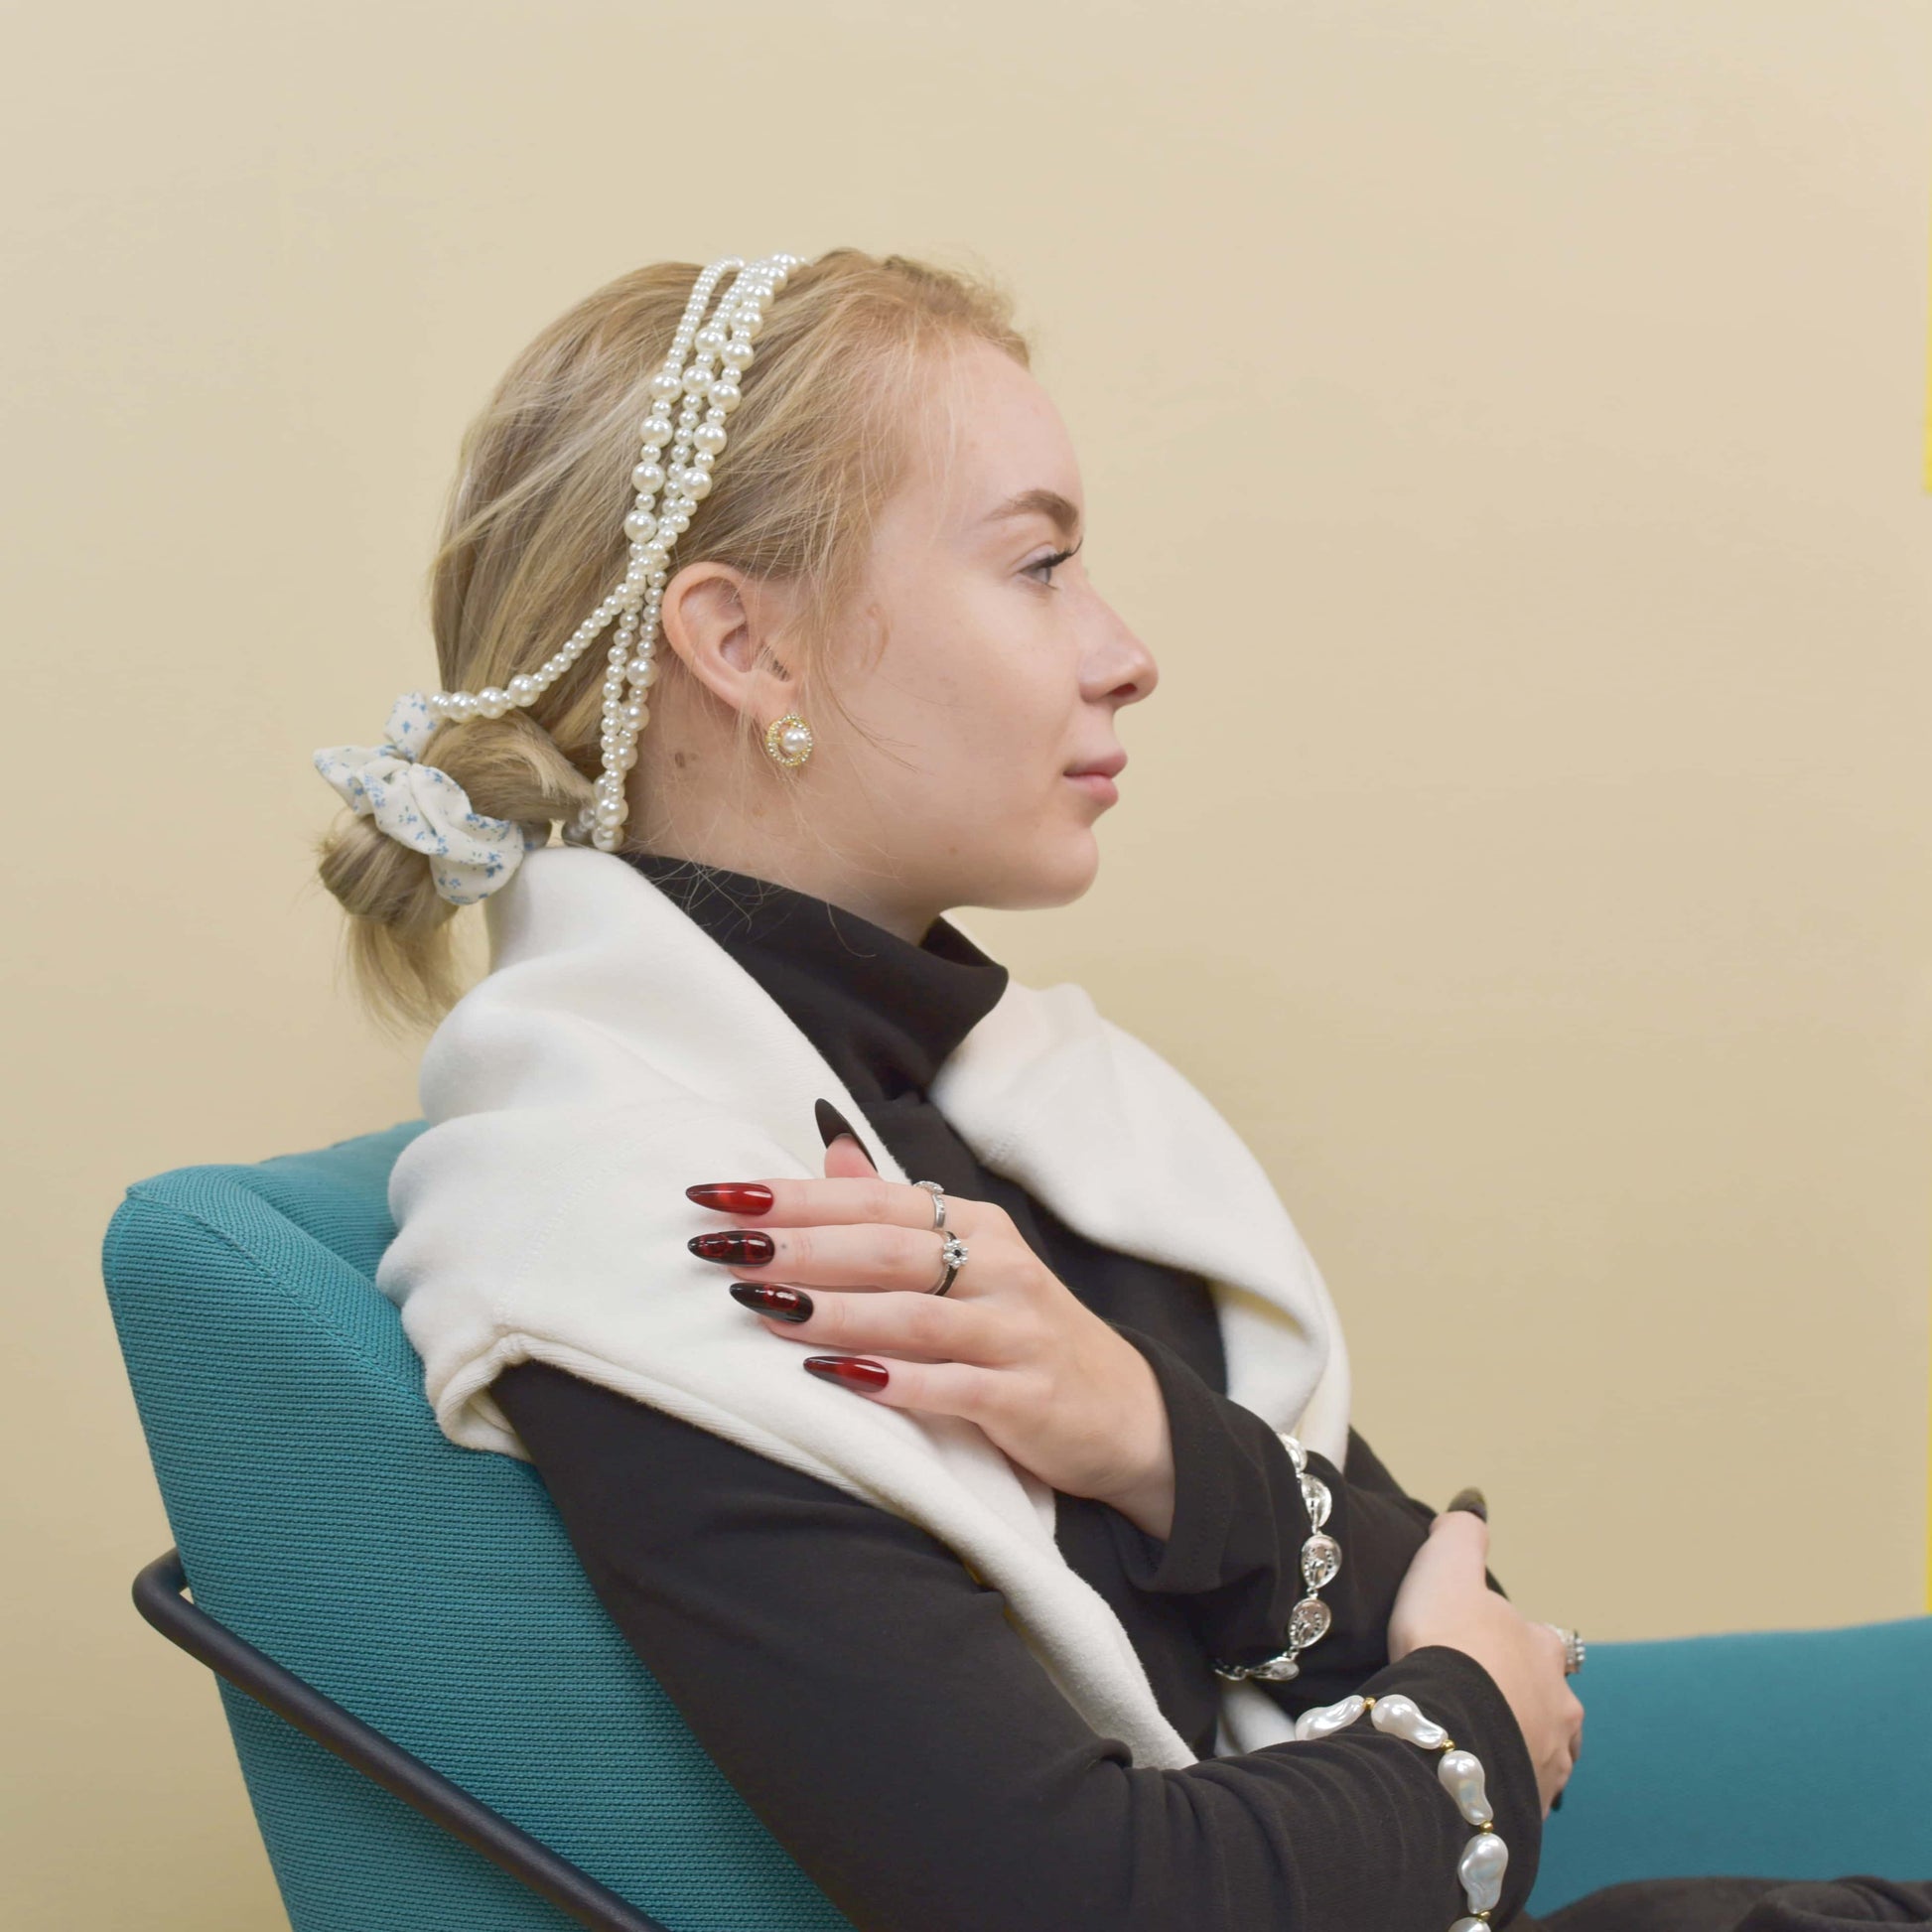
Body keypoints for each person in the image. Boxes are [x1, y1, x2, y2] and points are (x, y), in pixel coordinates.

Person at [313, 248, 1930, 1931]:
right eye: (1038, 563)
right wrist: (1467, 1736)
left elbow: (1454, 1606)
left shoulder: (993, 1113)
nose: (1124, 650)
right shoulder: (665, 1220)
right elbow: (1094, 1887)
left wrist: (1146, 1436)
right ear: (744, 644)